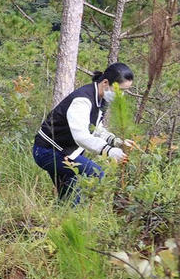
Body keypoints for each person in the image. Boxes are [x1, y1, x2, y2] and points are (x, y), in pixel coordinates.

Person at [33, 63, 135, 202]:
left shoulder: (100, 99)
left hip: (65, 152)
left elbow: (95, 128)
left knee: (69, 198)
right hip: (48, 151)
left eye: (124, 91)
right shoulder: (82, 100)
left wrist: (116, 141)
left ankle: (64, 217)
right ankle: (89, 211)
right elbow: (81, 136)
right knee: (96, 173)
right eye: (119, 90)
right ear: (105, 83)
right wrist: (109, 151)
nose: (121, 95)